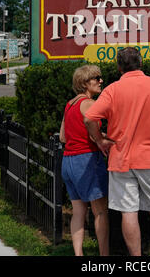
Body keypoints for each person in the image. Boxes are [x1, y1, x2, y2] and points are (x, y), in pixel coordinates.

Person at [84, 47, 150, 256]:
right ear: (141, 63)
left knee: (129, 211)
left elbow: (89, 118)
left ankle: (136, 260)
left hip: (121, 159)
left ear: (119, 67)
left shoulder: (113, 90)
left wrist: (100, 140)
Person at [60, 64, 109, 256]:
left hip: (68, 161)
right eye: (96, 78)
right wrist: (104, 139)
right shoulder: (89, 104)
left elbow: (63, 137)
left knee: (78, 211)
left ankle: (78, 254)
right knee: (100, 211)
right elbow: (93, 137)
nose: (100, 81)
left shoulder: (69, 104)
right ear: (84, 83)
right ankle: (104, 256)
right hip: (87, 160)